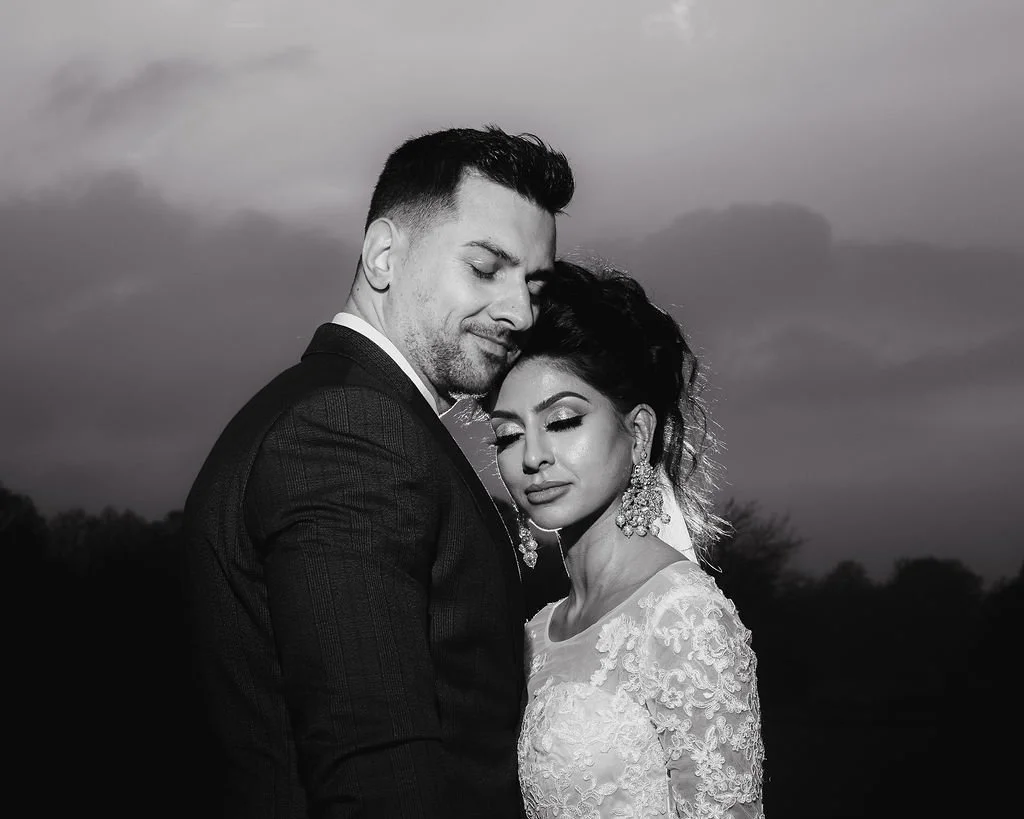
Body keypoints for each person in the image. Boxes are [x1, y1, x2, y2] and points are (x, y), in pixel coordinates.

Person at [182, 126, 574, 818]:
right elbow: (374, 770)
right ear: (384, 255)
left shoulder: (335, 408)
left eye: (532, 285)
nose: (520, 312)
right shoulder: (349, 428)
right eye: (486, 268)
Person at [486, 261, 765, 818]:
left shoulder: (681, 615)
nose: (532, 456)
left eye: (562, 421)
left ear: (638, 432)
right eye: (508, 435)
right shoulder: (535, 632)